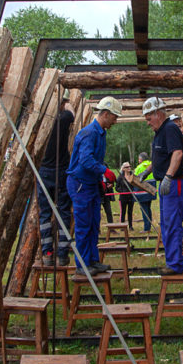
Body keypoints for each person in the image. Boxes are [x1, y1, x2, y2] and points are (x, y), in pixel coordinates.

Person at [67, 96, 121, 274]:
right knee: (84, 224)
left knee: (93, 223)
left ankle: (92, 260)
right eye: (114, 117)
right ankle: (82, 264)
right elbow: (85, 160)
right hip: (80, 184)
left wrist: (100, 178)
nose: (115, 121)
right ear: (106, 114)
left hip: (90, 184)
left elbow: (93, 160)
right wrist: (104, 171)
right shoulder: (89, 133)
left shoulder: (100, 133)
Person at [144, 97, 183, 275]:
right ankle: (172, 262)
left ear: (158, 114)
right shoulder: (160, 132)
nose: (148, 123)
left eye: (149, 119)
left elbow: (177, 153)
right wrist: (146, 172)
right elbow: (160, 158)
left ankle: (176, 264)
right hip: (168, 184)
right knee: (166, 224)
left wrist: (169, 176)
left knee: (172, 223)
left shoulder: (170, 128)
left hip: (174, 184)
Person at [38, 93, 75, 266]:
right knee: (63, 212)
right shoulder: (63, 118)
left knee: (45, 214)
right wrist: (67, 103)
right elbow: (71, 113)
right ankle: (62, 254)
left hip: (44, 171)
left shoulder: (41, 120)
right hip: (61, 171)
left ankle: (47, 253)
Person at [133, 151, 154, 232]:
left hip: (141, 192)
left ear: (141, 159)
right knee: (148, 208)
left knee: (144, 209)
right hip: (150, 190)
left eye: (139, 159)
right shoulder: (151, 165)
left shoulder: (139, 167)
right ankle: (149, 225)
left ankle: (146, 228)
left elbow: (135, 179)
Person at [116, 162, 137, 230]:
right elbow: (116, 187)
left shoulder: (132, 176)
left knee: (130, 212)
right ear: (123, 169)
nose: (129, 168)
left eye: (129, 166)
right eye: (127, 167)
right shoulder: (120, 177)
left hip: (131, 196)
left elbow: (136, 185)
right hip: (123, 197)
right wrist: (122, 191)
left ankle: (130, 226)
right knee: (123, 212)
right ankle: (122, 226)